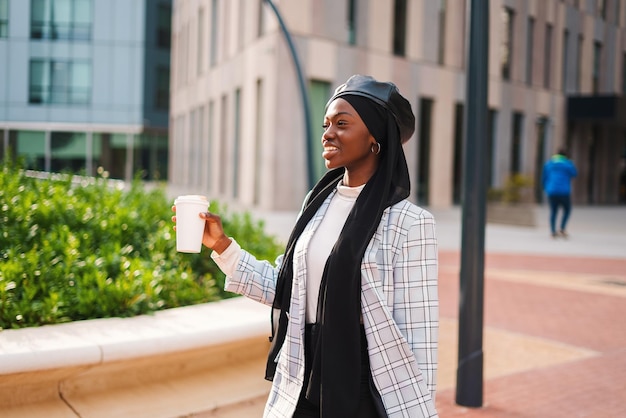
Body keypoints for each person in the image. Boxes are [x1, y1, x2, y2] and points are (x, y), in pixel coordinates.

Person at [173, 75, 438, 417]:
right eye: (326, 123)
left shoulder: (409, 223)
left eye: (342, 124)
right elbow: (285, 289)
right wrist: (221, 245)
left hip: (367, 387)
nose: (328, 133)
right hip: (302, 373)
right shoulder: (316, 206)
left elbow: (419, 336)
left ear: (376, 138)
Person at [541, 149, 578, 238]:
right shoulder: (567, 164)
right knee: (567, 210)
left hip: (551, 191)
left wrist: (545, 188)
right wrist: (571, 164)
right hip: (564, 191)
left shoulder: (548, 163)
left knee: (553, 211)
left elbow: (544, 177)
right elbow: (575, 174)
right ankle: (562, 228)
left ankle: (553, 231)